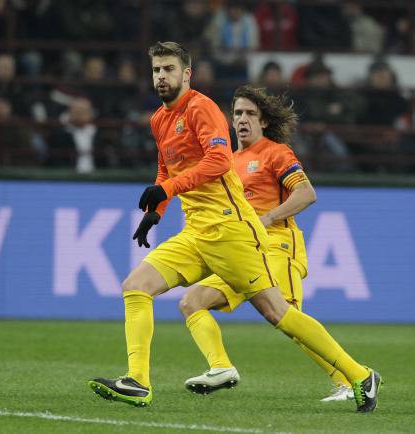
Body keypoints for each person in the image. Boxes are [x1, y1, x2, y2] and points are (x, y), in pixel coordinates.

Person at [88, 41, 381, 413]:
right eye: (157, 70)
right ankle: (138, 381)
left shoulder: (202, 108)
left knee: (277, 312)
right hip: (195, 232)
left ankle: (359, 375)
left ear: (186, 74)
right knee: (136, 286)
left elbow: (218, 161)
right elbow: (166, 168)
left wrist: (169, 189)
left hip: (231, 230)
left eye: (169, 69)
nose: (161, 76)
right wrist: (156, 210)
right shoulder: (159, 119)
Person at [178, 85, 354, 402]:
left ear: (264, 122)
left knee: (288, 317)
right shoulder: (227, 161)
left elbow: (306, 193)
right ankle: (220, 367)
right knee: (193, 301)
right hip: (244, 250)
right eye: (238, 113)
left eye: (250, 113)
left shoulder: (275, 153)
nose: (243, 119)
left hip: (278, 245)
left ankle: (351, 380)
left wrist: (268, 217)